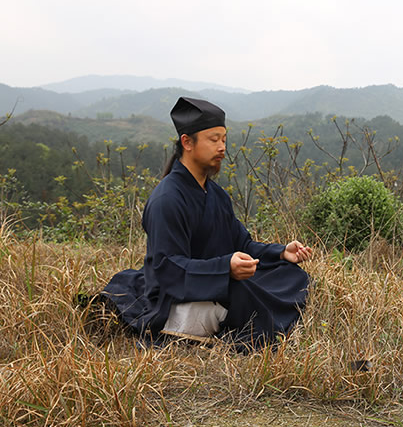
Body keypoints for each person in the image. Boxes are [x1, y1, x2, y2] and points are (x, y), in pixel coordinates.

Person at [101, 96, 311, 347]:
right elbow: (169, 270)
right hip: (178, 297)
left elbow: (242, 243)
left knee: (290, 274)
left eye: (224, 139)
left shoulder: (216, 195)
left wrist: (280, 253)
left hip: (214, 283)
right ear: (187, 142)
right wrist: (225, 269)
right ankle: (199, 327)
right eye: (214, 140)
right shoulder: (167, 200)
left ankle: (243, 313)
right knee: (242, 293)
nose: (222, 147)